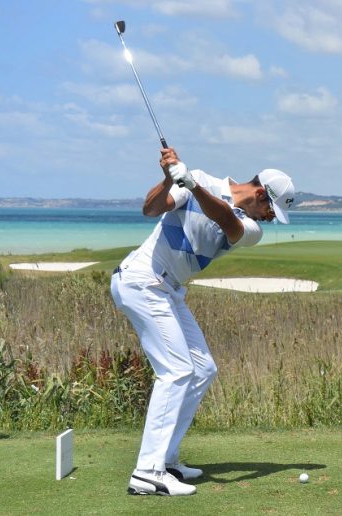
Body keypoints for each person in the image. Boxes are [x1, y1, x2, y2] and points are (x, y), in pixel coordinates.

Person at [111, 147, 295, 496]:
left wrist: (192, 185)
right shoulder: (199, 180)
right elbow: (150, 210)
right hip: (142, 280)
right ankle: (147, 472)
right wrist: (169, 180)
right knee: (177, 371)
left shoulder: (249, 226)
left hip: (169, 290)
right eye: (272, 209)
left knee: (202, 368)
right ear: (259, 194)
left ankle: (164, 459)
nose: (271, 218)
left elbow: (227, 221)